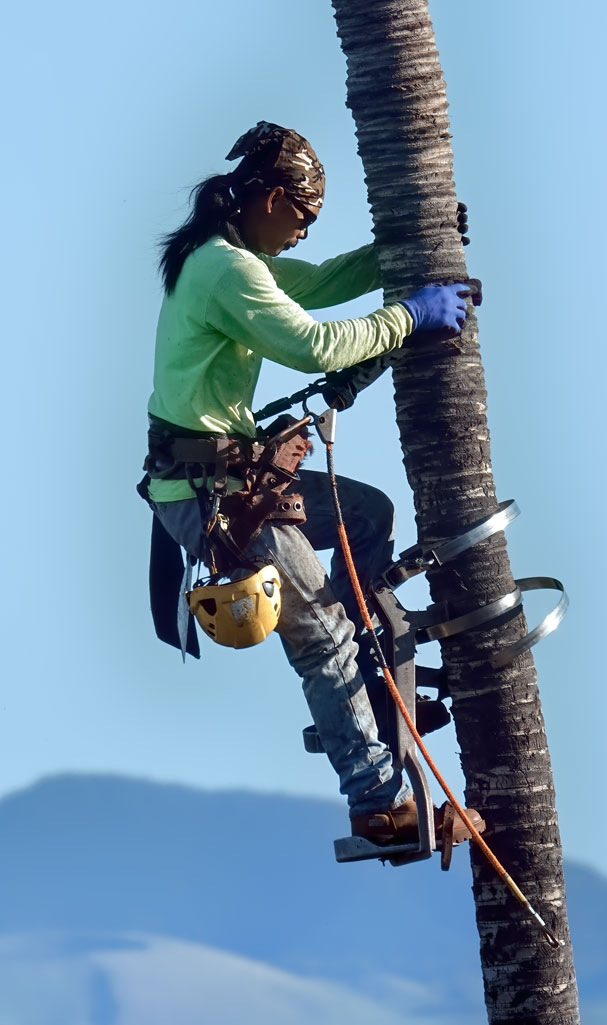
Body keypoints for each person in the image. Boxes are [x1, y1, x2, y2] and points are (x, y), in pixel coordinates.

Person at [142, 121, 472, 846]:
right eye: (302, 214)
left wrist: (414, 241)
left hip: (230, 478)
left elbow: (322, 284)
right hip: (214, 499)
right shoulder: (223, 269)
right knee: (321, 640)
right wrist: (409, 316)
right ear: (266, 196)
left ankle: (373, 676)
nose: (304, 230)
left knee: (364, 513)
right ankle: (379, 803)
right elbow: (311, 345)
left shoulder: (232, 258)